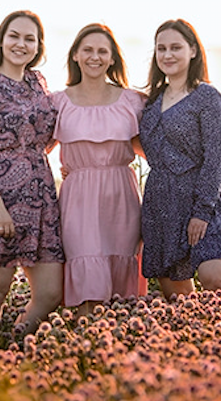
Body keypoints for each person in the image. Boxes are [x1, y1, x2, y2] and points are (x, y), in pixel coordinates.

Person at [0, 10, 65, 330]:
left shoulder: (38, 83)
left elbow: (48, 135)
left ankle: (15, 342)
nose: (21, 44)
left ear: (38, 46)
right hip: (1, 203)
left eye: (29, 39)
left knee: (50, 293)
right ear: (2, 41)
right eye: (14, 36)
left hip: (41, 199)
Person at [50, 23, 148, 317]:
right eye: (88, 50)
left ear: (112, 58)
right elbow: (33, 150)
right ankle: (83, 352)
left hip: (121, 198)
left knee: (121, 293)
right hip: (78, 199)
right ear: (76, 56)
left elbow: (153, 151)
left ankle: (117, 356)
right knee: (86, 278)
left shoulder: (133, 101)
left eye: (102, 51)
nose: (95, 57)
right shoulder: (57, 102)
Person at [138, 18, 221, 298]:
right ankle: (195, 342)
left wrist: (202, 211)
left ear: (193, 50)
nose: (167, 55)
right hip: (160, 204)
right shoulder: (151, 102)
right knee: (178, 298)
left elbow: (215, 157)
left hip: (199, 199)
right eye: (161, 49)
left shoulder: (206, 97)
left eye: (176, 47)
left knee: (215, 281)